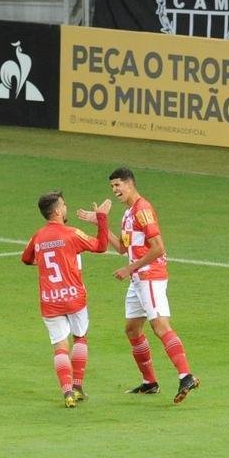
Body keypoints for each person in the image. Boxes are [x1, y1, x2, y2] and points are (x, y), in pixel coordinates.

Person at [79, 167, 199, 403]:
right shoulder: (127, 214)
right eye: (112, 187)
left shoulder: (142, 210)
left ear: (130, 184)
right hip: (138, 279)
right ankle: (150, 382)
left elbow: (158, 248)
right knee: (132, 329)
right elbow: (123, 249)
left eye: (117, 185)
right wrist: (100, 223)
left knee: (160, 326)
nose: (114, 191)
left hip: (149, 276)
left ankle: (186, 375)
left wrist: (129, 268)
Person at [21, 191, 111, 408]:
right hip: (73, 297)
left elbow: (26, 258)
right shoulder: (72, 233)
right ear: (58, 211)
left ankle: (67, 392)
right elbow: (101, 246)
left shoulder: (38, 236)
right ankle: (78, 386)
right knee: (80, 338)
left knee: (60, 347)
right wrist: (102, 218)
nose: (66, 207)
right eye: (64, 204)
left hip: (50, 300)